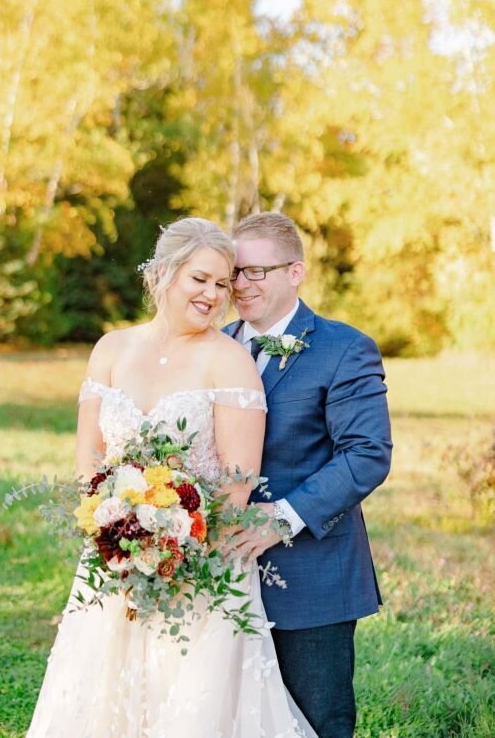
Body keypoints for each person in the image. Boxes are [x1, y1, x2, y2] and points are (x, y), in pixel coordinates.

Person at [25, 217, 316, 738]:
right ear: (163, 273)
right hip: (114, 560)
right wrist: (116, 531)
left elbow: (238, 478)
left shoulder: (228, 361)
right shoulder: (110, 349)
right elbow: (89, 456)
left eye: (223, 284)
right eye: (199, 279)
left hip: (200, 566)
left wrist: (175, 548)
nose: (213, 295)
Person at [224, 211, 392, 738]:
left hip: (313, 574)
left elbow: (367, 453)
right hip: (221, 574)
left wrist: (280, 517)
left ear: (295, 272)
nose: (240, 285)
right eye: (235, 272)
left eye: (257, 272)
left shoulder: (344, 348)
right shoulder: (215, 346)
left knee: (318, 721)